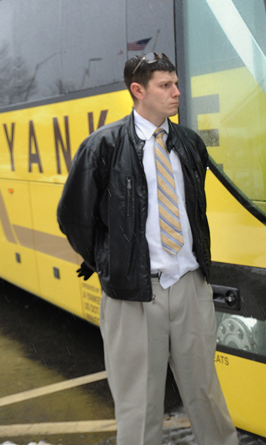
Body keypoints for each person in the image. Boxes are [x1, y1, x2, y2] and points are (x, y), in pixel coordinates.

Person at [57, 53, 239, 445]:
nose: (177, 92)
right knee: (138, 408)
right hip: (134, 295)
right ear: (138, 91)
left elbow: (195, 209)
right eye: (165, 85)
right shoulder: (102, 147)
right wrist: (110, 264)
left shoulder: (188, 143)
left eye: (176, 83)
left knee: (206, 395)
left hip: (190, 286)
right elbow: (74, 218)